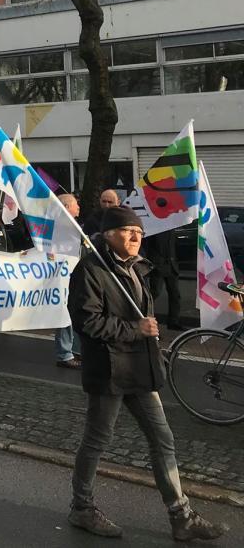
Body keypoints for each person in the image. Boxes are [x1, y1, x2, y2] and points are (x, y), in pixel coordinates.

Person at [66, 205, 226, 542]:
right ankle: (82, 507)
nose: (136, 237)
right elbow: (87, 322)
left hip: (139, 369)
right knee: (97, 441)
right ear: (109, 235)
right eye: (128, 231)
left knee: (163, 439)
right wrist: (135, 329)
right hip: (110, 371)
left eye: (139, 232)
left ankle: (180, 515)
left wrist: (151, 346)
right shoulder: (90, 270)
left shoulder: (137, 267)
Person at [55, 193, 83, 371]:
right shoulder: (61, 227)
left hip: (74, 275)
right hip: (63, 277)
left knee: (75, 313)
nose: (78, 207)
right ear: (66, 207)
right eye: (75, 204)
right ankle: (64, 354)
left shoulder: (72, 226)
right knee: (64, 315)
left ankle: (73, 349)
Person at [142, 230, 182, 331]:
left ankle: (173, 322)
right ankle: (147, 319)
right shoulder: (156, 229)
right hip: (158, 266)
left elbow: (174, 246)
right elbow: (147, 247)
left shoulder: (172, 229)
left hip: (172, 266)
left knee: (175, 294)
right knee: (155, 293)